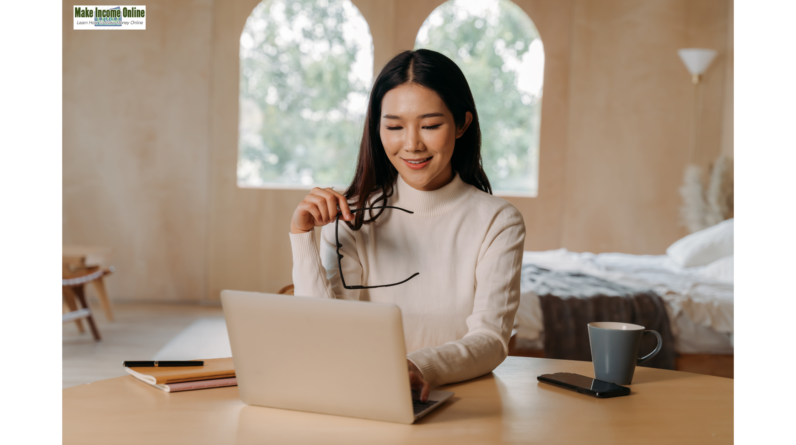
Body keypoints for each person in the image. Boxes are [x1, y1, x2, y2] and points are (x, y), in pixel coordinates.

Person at [289, 49, 525, 401]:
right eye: (395, 127)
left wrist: (413, 367)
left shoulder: (497, 221)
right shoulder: (351, 215)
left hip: (458, 402)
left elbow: (491, 341)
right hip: (360, 396)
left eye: (430, 126)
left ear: (462, 124)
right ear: (377, 128)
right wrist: (301, 237)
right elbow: (324, 330)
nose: (412, 144)